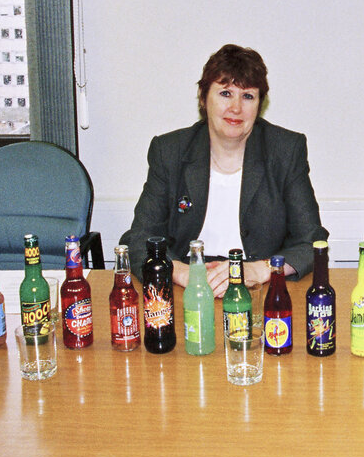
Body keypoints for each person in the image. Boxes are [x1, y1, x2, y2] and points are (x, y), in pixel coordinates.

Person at [122, 44, 328, 294]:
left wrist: (261, 269)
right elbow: (140, 239)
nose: (236, 108)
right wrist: (181, 272)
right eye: (226, 94)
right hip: (184, 288)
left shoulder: (285, 150)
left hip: (258, 288)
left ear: (259, 104)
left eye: (248, 96)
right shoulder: (169, 151)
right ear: (203, 97)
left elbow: (312, 241)